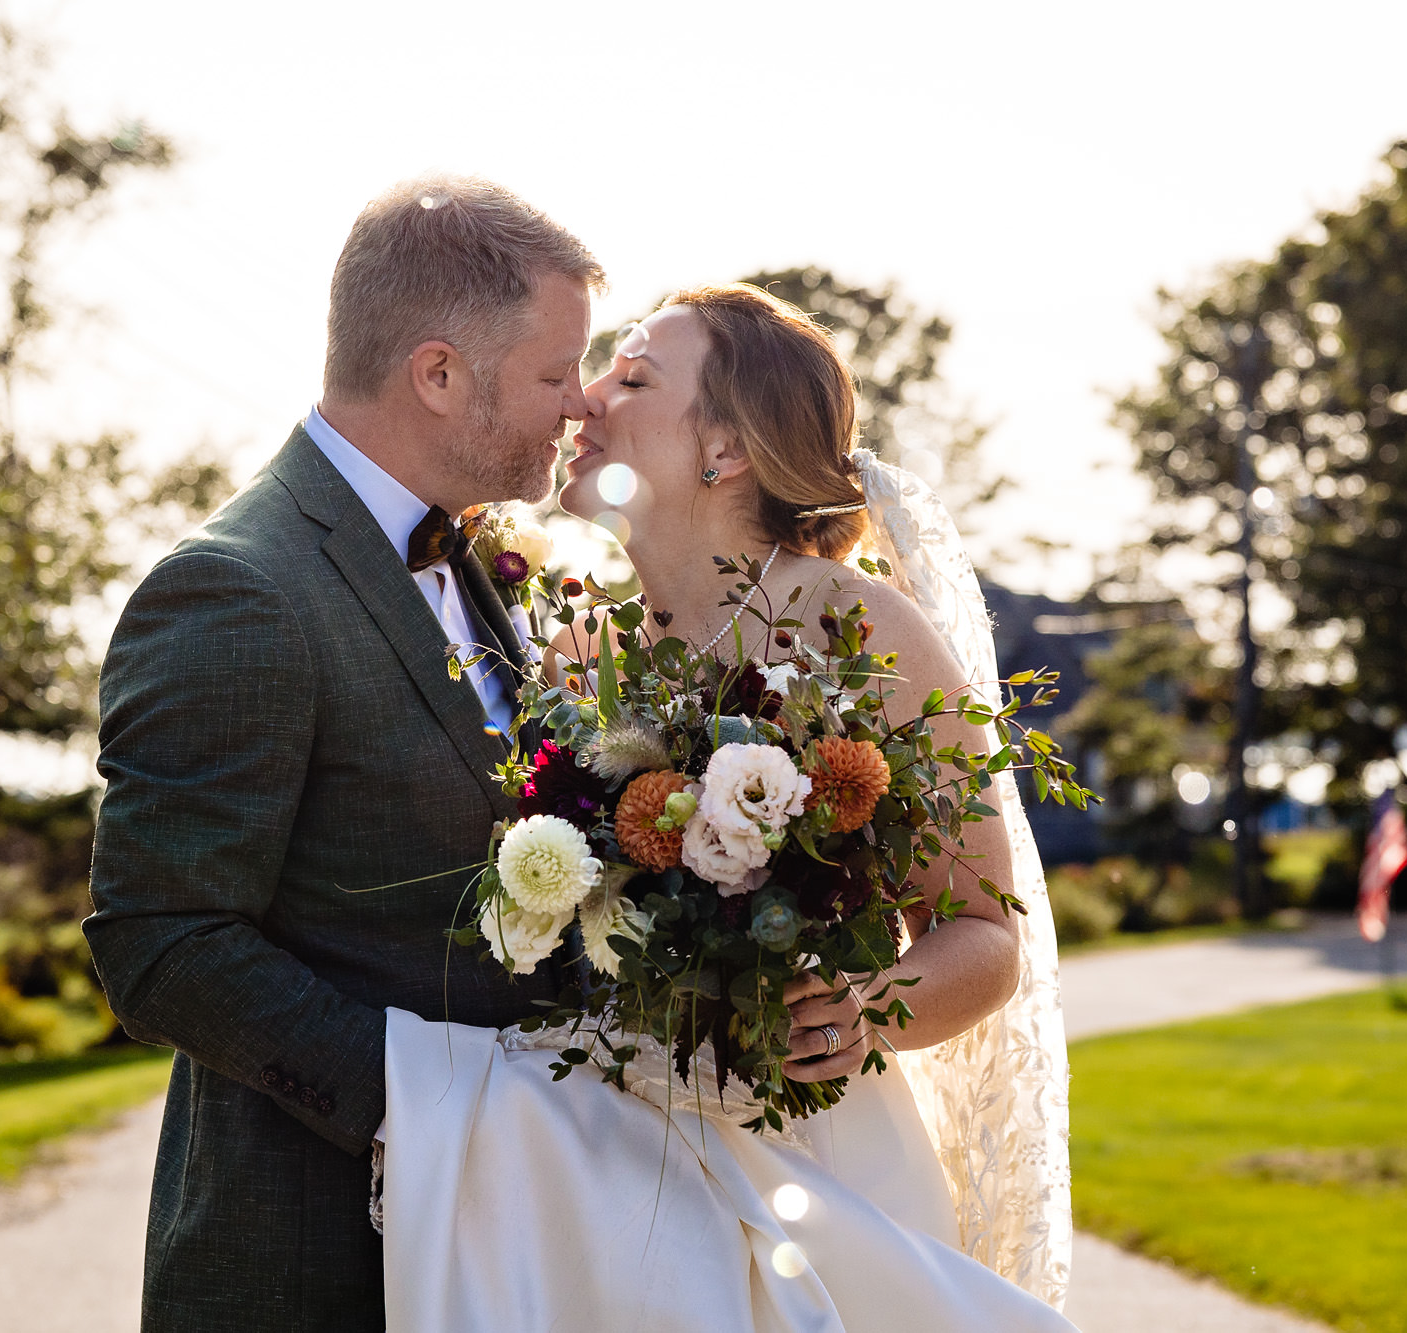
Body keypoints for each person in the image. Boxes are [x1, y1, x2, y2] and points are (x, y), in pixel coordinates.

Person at [377, 284, 1076, 1329]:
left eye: (631, 376)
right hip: (612, 1167)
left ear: (726, 449)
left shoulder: (857, 628)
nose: (582, 399)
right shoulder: (578, 656)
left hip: (821, 1142)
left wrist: (859, 1010)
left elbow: (982, 933)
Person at [84, 174, 603, 1331]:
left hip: (508, 1244)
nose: (577, 406)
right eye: (554, 372)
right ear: (436, 373)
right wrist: (430, 1104)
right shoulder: (235, 589)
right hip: (313, 1258)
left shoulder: (475, 562)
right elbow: (159, 941)